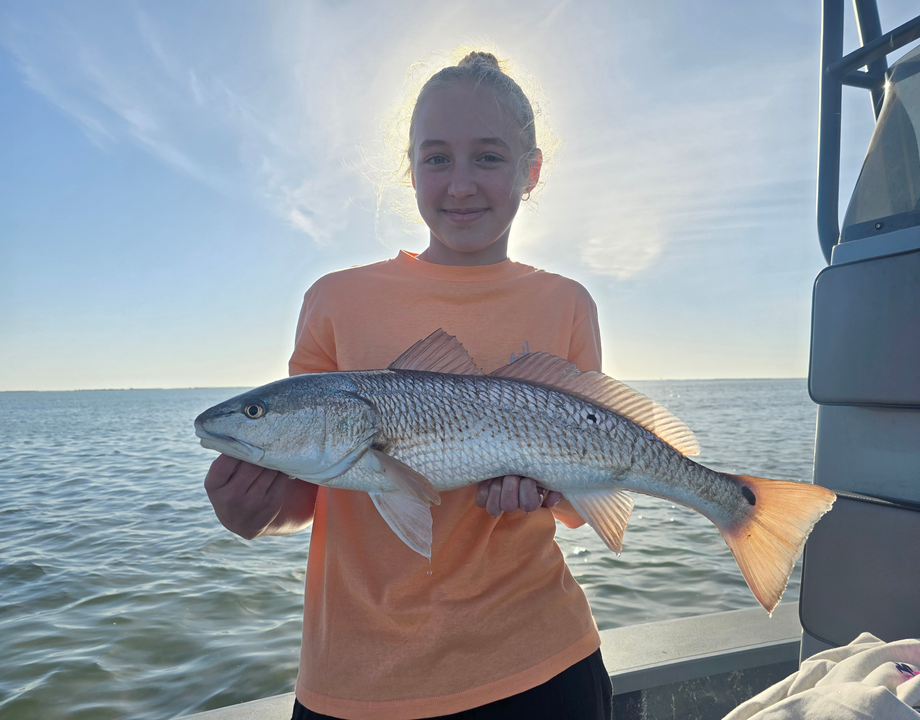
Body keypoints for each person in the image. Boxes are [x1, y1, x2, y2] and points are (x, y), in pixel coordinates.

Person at [204, 50, 613, 720]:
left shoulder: (568, 303)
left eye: (488, 157)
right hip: (355, 677)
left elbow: (579, 493)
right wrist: (249, 513)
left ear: (531, 170)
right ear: (411, 167)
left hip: (542, 663)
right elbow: (311, 489)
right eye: (437, 158)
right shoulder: (335, 300)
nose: (460, 184)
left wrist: (543, 492)